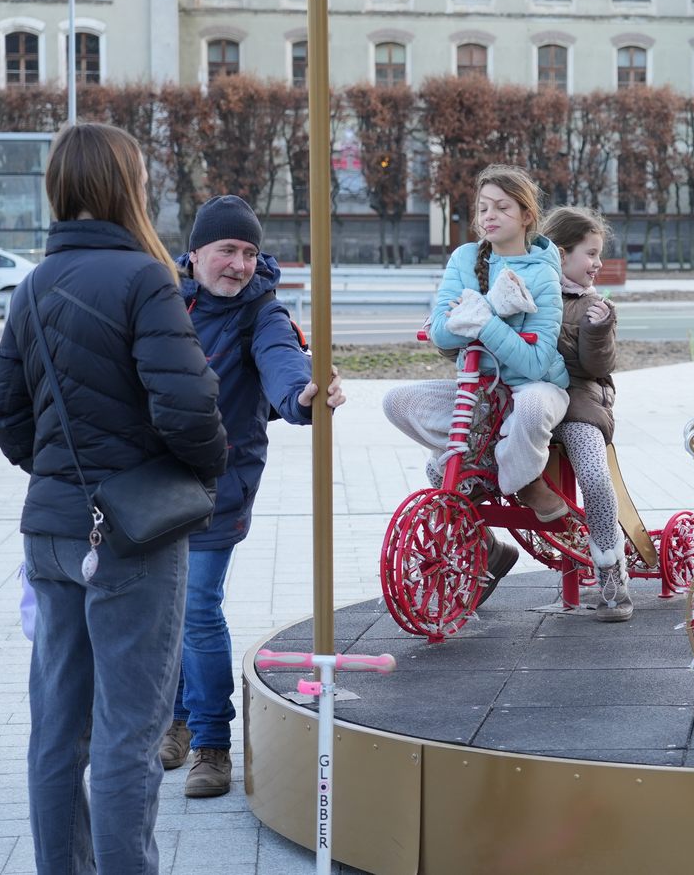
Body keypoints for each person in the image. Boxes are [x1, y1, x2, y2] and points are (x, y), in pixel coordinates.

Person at [0, 123, 228, 874]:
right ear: (128, 188)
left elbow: (5, 415)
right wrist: (200, 475)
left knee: (58, 732)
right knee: (129, 735)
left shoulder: (32, 285)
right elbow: (188, 410)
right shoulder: (144, 279)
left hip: (53, 535)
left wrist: (66, 475)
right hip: (131, 542)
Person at [160, 195, 347, 800]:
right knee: (164, 608)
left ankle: (212, 743)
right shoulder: (164, 302)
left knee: (197, 606)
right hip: (154, 482)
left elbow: (282, 364)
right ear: (196, 254)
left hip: (222, 481)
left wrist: (303, 396)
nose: (239, 264)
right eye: (226, 251)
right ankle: (178, 719)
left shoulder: (261, 313)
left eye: (247, 251)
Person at [385, 166, 570, 590]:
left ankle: (523, 484)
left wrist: (482, 323)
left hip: (535, 386)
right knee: (397, 401)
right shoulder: (465, 258)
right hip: (479, 389)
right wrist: (491, 308)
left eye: (502, 207)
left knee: (528, 408)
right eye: (483, 207)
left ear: (526, 215)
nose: (489, 215)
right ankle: (487, 467)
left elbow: (535, 362)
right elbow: (441, 330)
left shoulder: (542, 272)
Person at [540, 206, 632, 622]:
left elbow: (598, 368)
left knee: (594, 477)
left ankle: (611, 568)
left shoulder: (593, 306)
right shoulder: (530, 292)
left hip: (577, 404)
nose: (597, 264)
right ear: (561, 254)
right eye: (590, 254)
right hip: (529, 402)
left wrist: (597, 329)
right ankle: (483, 549)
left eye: (598, 254)